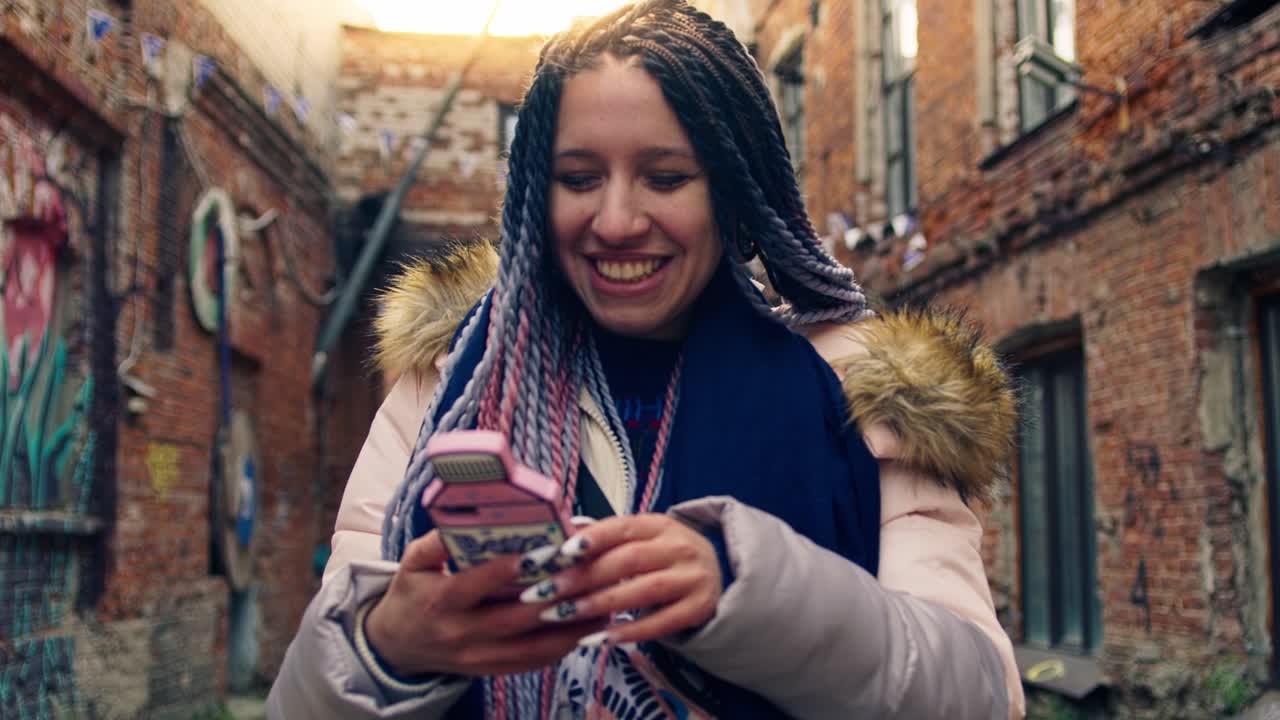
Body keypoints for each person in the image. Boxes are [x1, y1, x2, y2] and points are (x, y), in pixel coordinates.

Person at [268, 1, 1025, 717]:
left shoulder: (868, 395)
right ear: (538, 192)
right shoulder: (446, 386)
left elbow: (978, 695)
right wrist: (385, 647)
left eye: (665, 178)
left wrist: (752, 591)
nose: (618, 220)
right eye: (579, 178)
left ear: (734, 195)